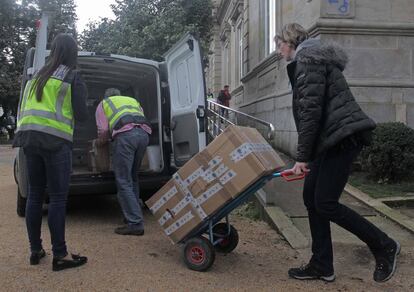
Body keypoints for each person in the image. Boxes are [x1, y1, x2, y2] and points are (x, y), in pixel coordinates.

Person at [276, 23, 400, 283]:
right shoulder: (310, 61)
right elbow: (313, 114)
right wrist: (307, 157)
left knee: (325, 203)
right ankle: (322, 265)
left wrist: (301, 158)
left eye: (280, 45)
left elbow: (310, 113)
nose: (279, 51)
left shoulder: (308, 63)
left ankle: (384, 245)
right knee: (311, 197)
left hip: (342, 139)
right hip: (329, 141)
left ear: (290, 42)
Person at [13, 34, 88, 271]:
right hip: (55, 141)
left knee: (34, 195)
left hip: (28, 139)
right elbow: (83, 114)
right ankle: (60, 255)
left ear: (53, 51)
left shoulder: (35, 77)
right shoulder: (72, 76)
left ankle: (35, 250)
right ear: (72, 52)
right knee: (57, 198)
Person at [95, 88, 151, 236]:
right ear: (119, 96)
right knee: (133, 177)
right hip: (144, 135)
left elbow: (103, 130)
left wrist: (102, 143)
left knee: (123, 179)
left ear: (106, 96)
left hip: (126, 136)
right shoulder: (133, 101)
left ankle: (135, 223)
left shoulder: (104, 103)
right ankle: (133, 215)